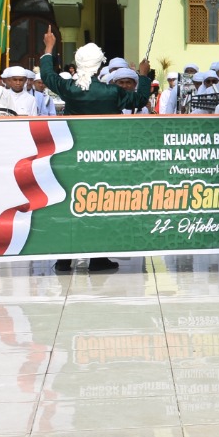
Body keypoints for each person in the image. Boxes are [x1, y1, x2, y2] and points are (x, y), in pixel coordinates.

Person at [38, 30, 154, 273]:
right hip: (102, 157)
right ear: (101, 64)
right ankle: (97, 259)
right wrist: (143, 76)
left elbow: (47, 75)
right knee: (98, 206)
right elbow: (140, 99)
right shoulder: (111, 92)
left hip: (71, 156)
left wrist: (49, 48)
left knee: (69, 205)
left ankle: (64, 259)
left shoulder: (69, 88)